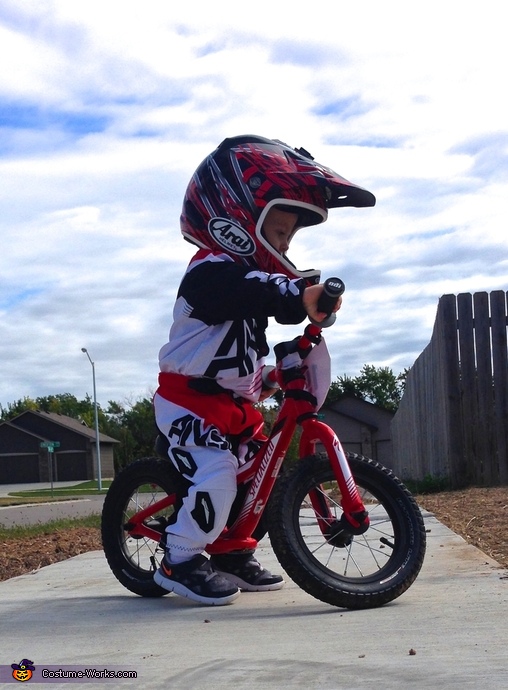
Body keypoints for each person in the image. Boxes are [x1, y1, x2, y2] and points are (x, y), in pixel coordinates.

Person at [153, 135, 375, 605]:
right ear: (235, 219)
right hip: (188, 402)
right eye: (278, 233)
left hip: (233, 407)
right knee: (215, 472)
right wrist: (297, 294)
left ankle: (231, 552)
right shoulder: (210, 273)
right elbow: (251, 287)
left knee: (258, 475)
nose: (286, 244)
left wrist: (270, 378)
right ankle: (181, 557)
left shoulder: (247, 297)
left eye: (290, 237)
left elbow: (240, 354)